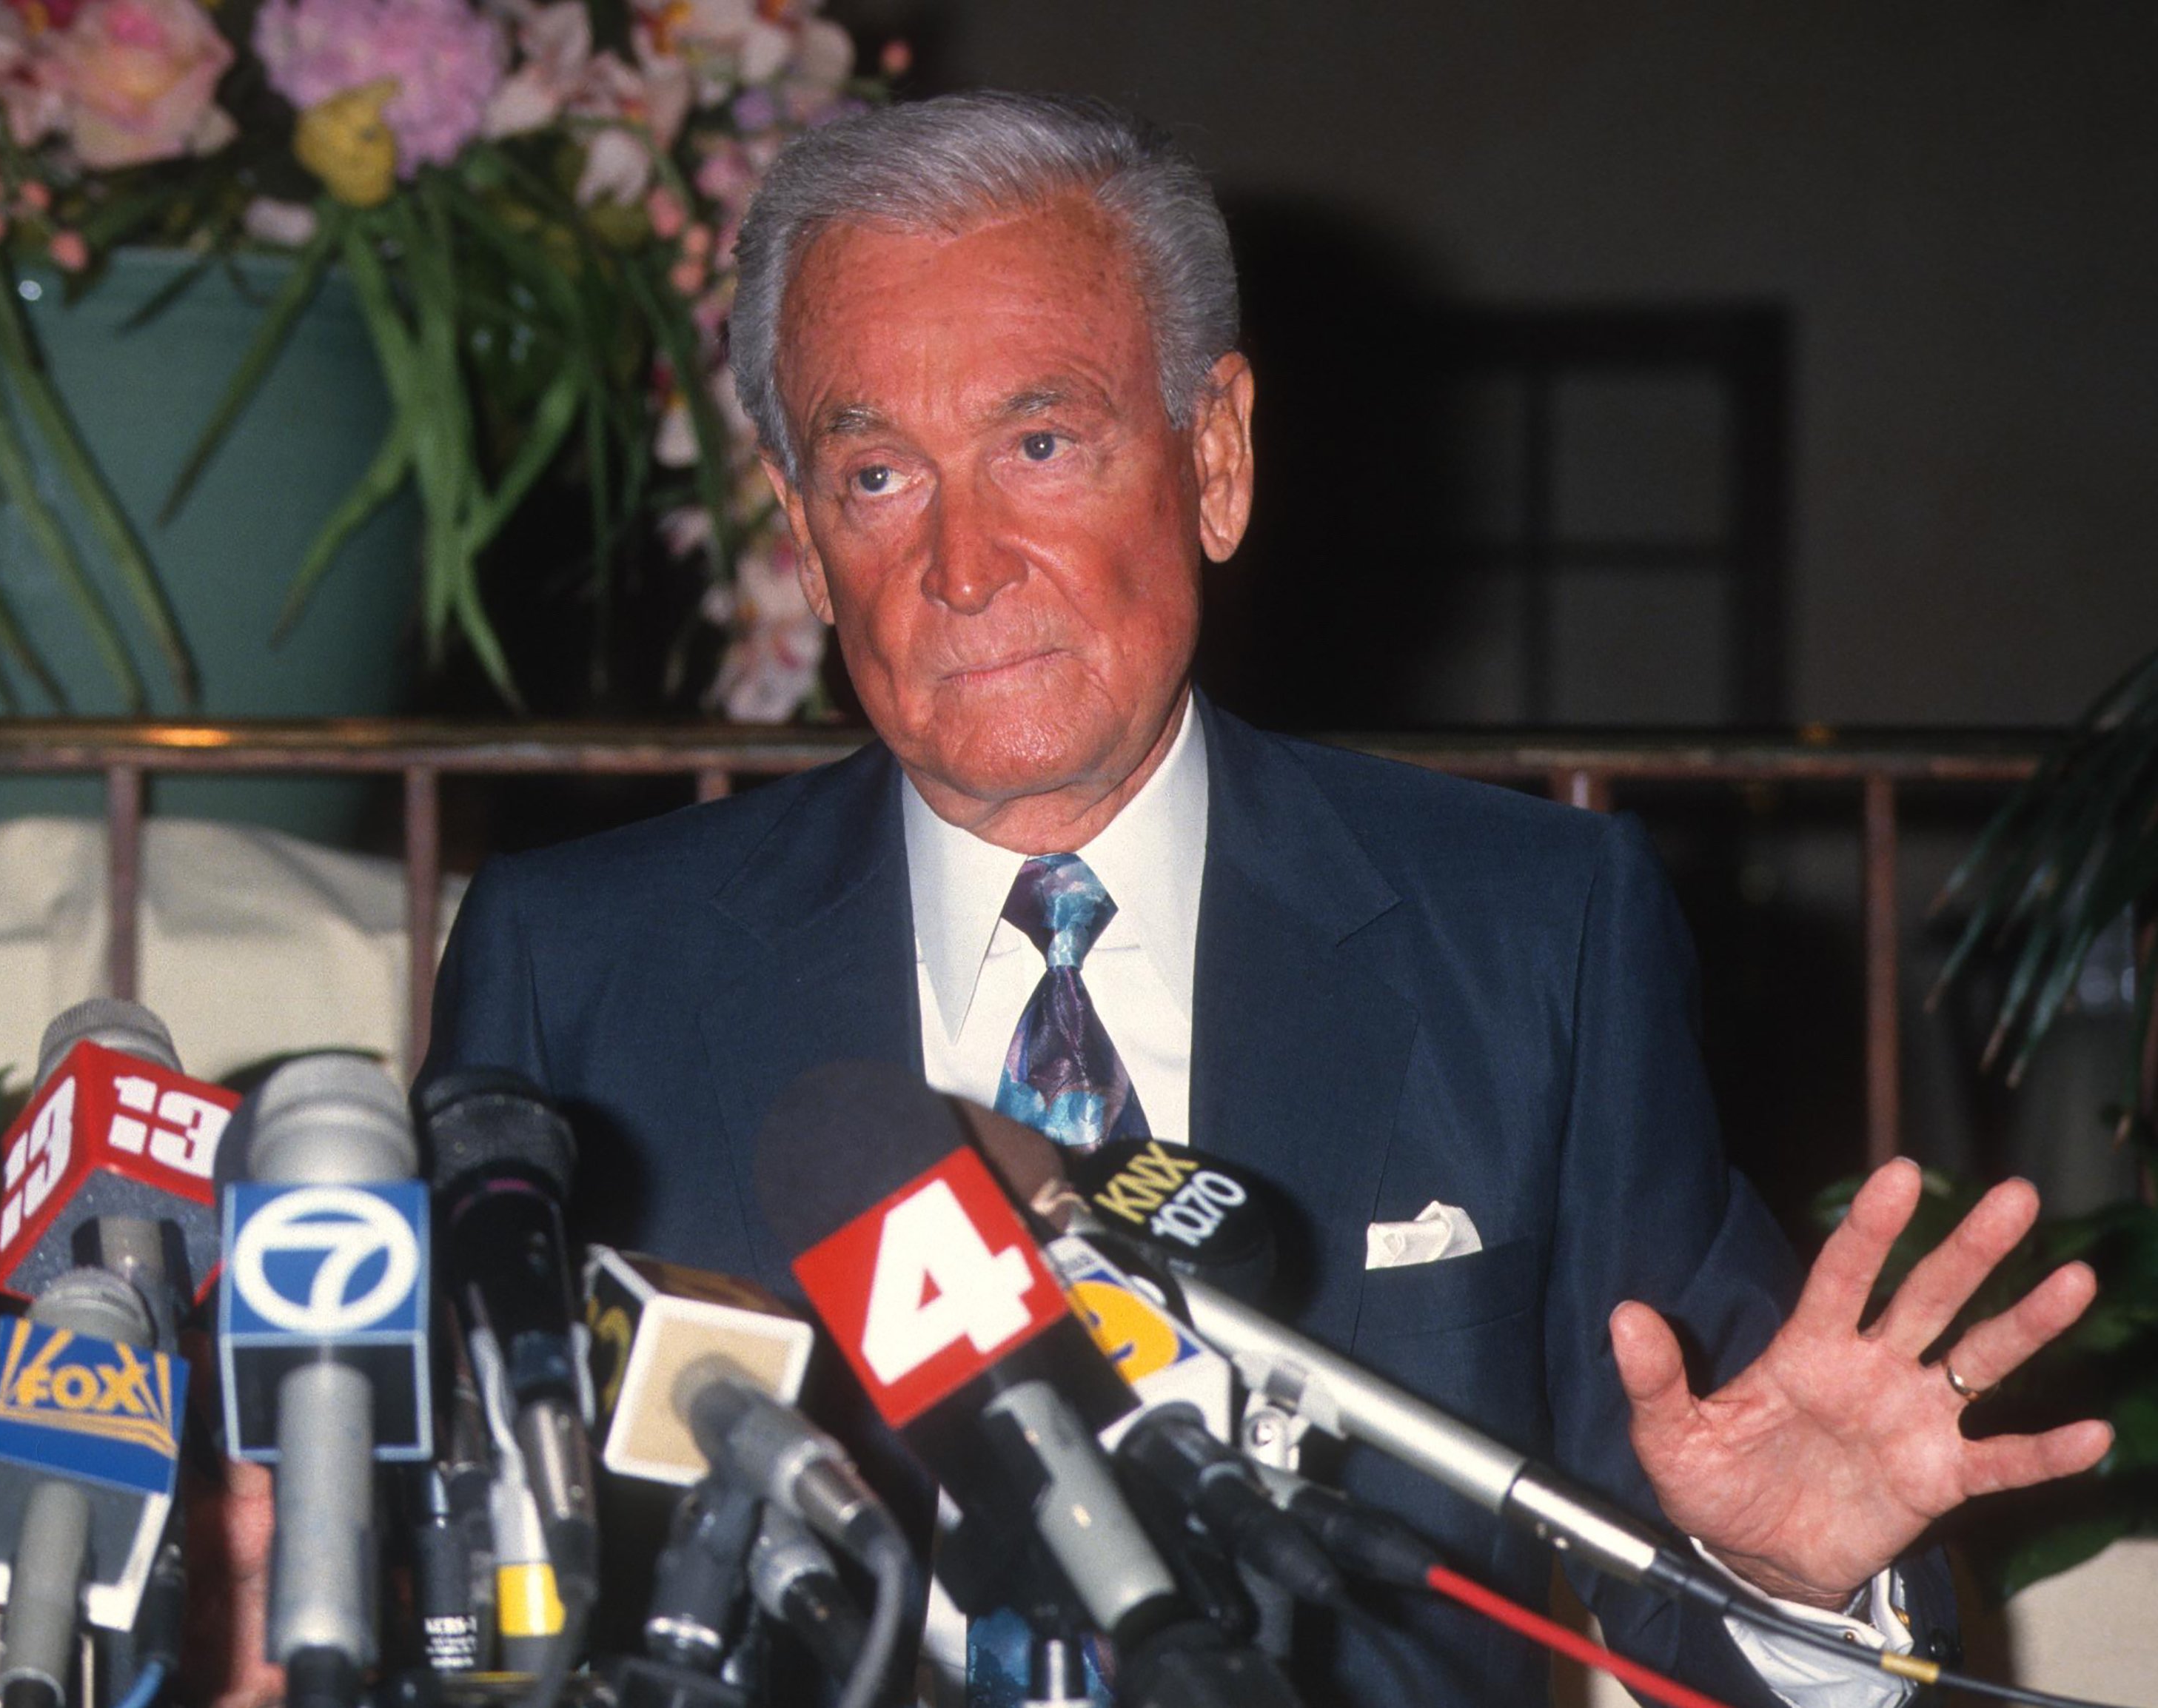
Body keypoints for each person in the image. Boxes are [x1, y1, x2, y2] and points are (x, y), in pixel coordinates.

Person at [426, 92, 2108, 1708]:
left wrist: (1800, 1589)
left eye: (1039, 441)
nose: (960, 562)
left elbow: (1704, 1550)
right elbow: (475, 1581)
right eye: (878, 478)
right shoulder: (580, 969)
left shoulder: (1529, 934)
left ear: (1214, 455)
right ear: (799, 532)